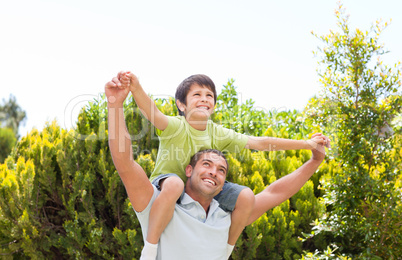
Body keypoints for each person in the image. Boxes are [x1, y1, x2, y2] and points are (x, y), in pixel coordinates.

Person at [109, 72, 329, 259]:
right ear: (181, 105)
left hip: (185, 192)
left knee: (246, 196)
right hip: (166, 186)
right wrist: (129, 93)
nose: (213, 171)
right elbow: (130, 153)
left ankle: (227, 249)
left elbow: (270, 176)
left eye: (209, 96)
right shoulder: (175, 130)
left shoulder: (222, 216)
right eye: (197, 95)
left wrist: (310, 152)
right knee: (174, 185)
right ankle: (151, 245)